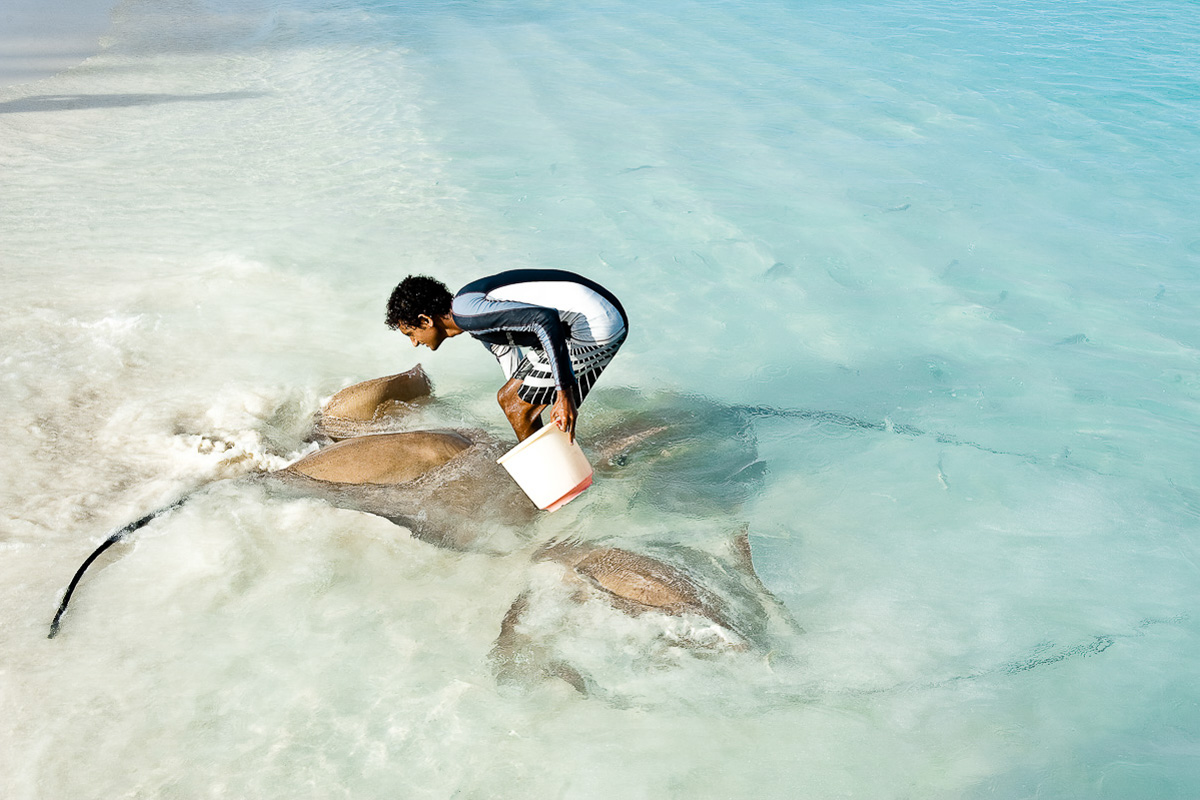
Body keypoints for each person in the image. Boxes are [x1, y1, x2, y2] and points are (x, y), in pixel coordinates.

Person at [385, 269, 628, 443]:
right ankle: (564, 470)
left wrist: (563, 393)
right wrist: (530, 408)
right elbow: (511, 372)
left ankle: (555, 483)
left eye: (411, 333)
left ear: (425, 321)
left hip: (596, 323)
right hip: (585, 320)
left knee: (518, 406)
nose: (414, 343)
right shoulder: (474, 319)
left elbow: (544, 319)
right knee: (512, 400)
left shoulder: (467, 314)